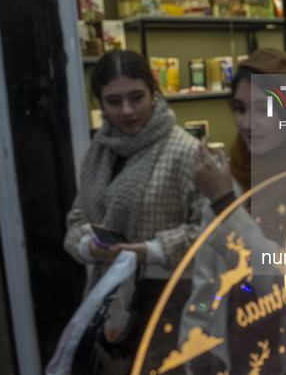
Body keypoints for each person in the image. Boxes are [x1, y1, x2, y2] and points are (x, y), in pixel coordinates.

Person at [178, 48, 286, 374]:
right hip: (237, 356)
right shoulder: (230, 179)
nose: (247, 123)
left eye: (265, 109)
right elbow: (208, 287)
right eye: (240, 109)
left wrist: (225, 206)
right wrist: (194, 342)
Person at [63, 49, 203, 374]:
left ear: (153, 92)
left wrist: (149, 251)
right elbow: (75, 221)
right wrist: (89, 246)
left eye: (136, 97)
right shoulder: (97, 153)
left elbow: (209, 231)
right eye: (113, 102)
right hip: (108, 301)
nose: (126, 110)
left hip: (168, 300)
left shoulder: (184, 150)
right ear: (100, 104)